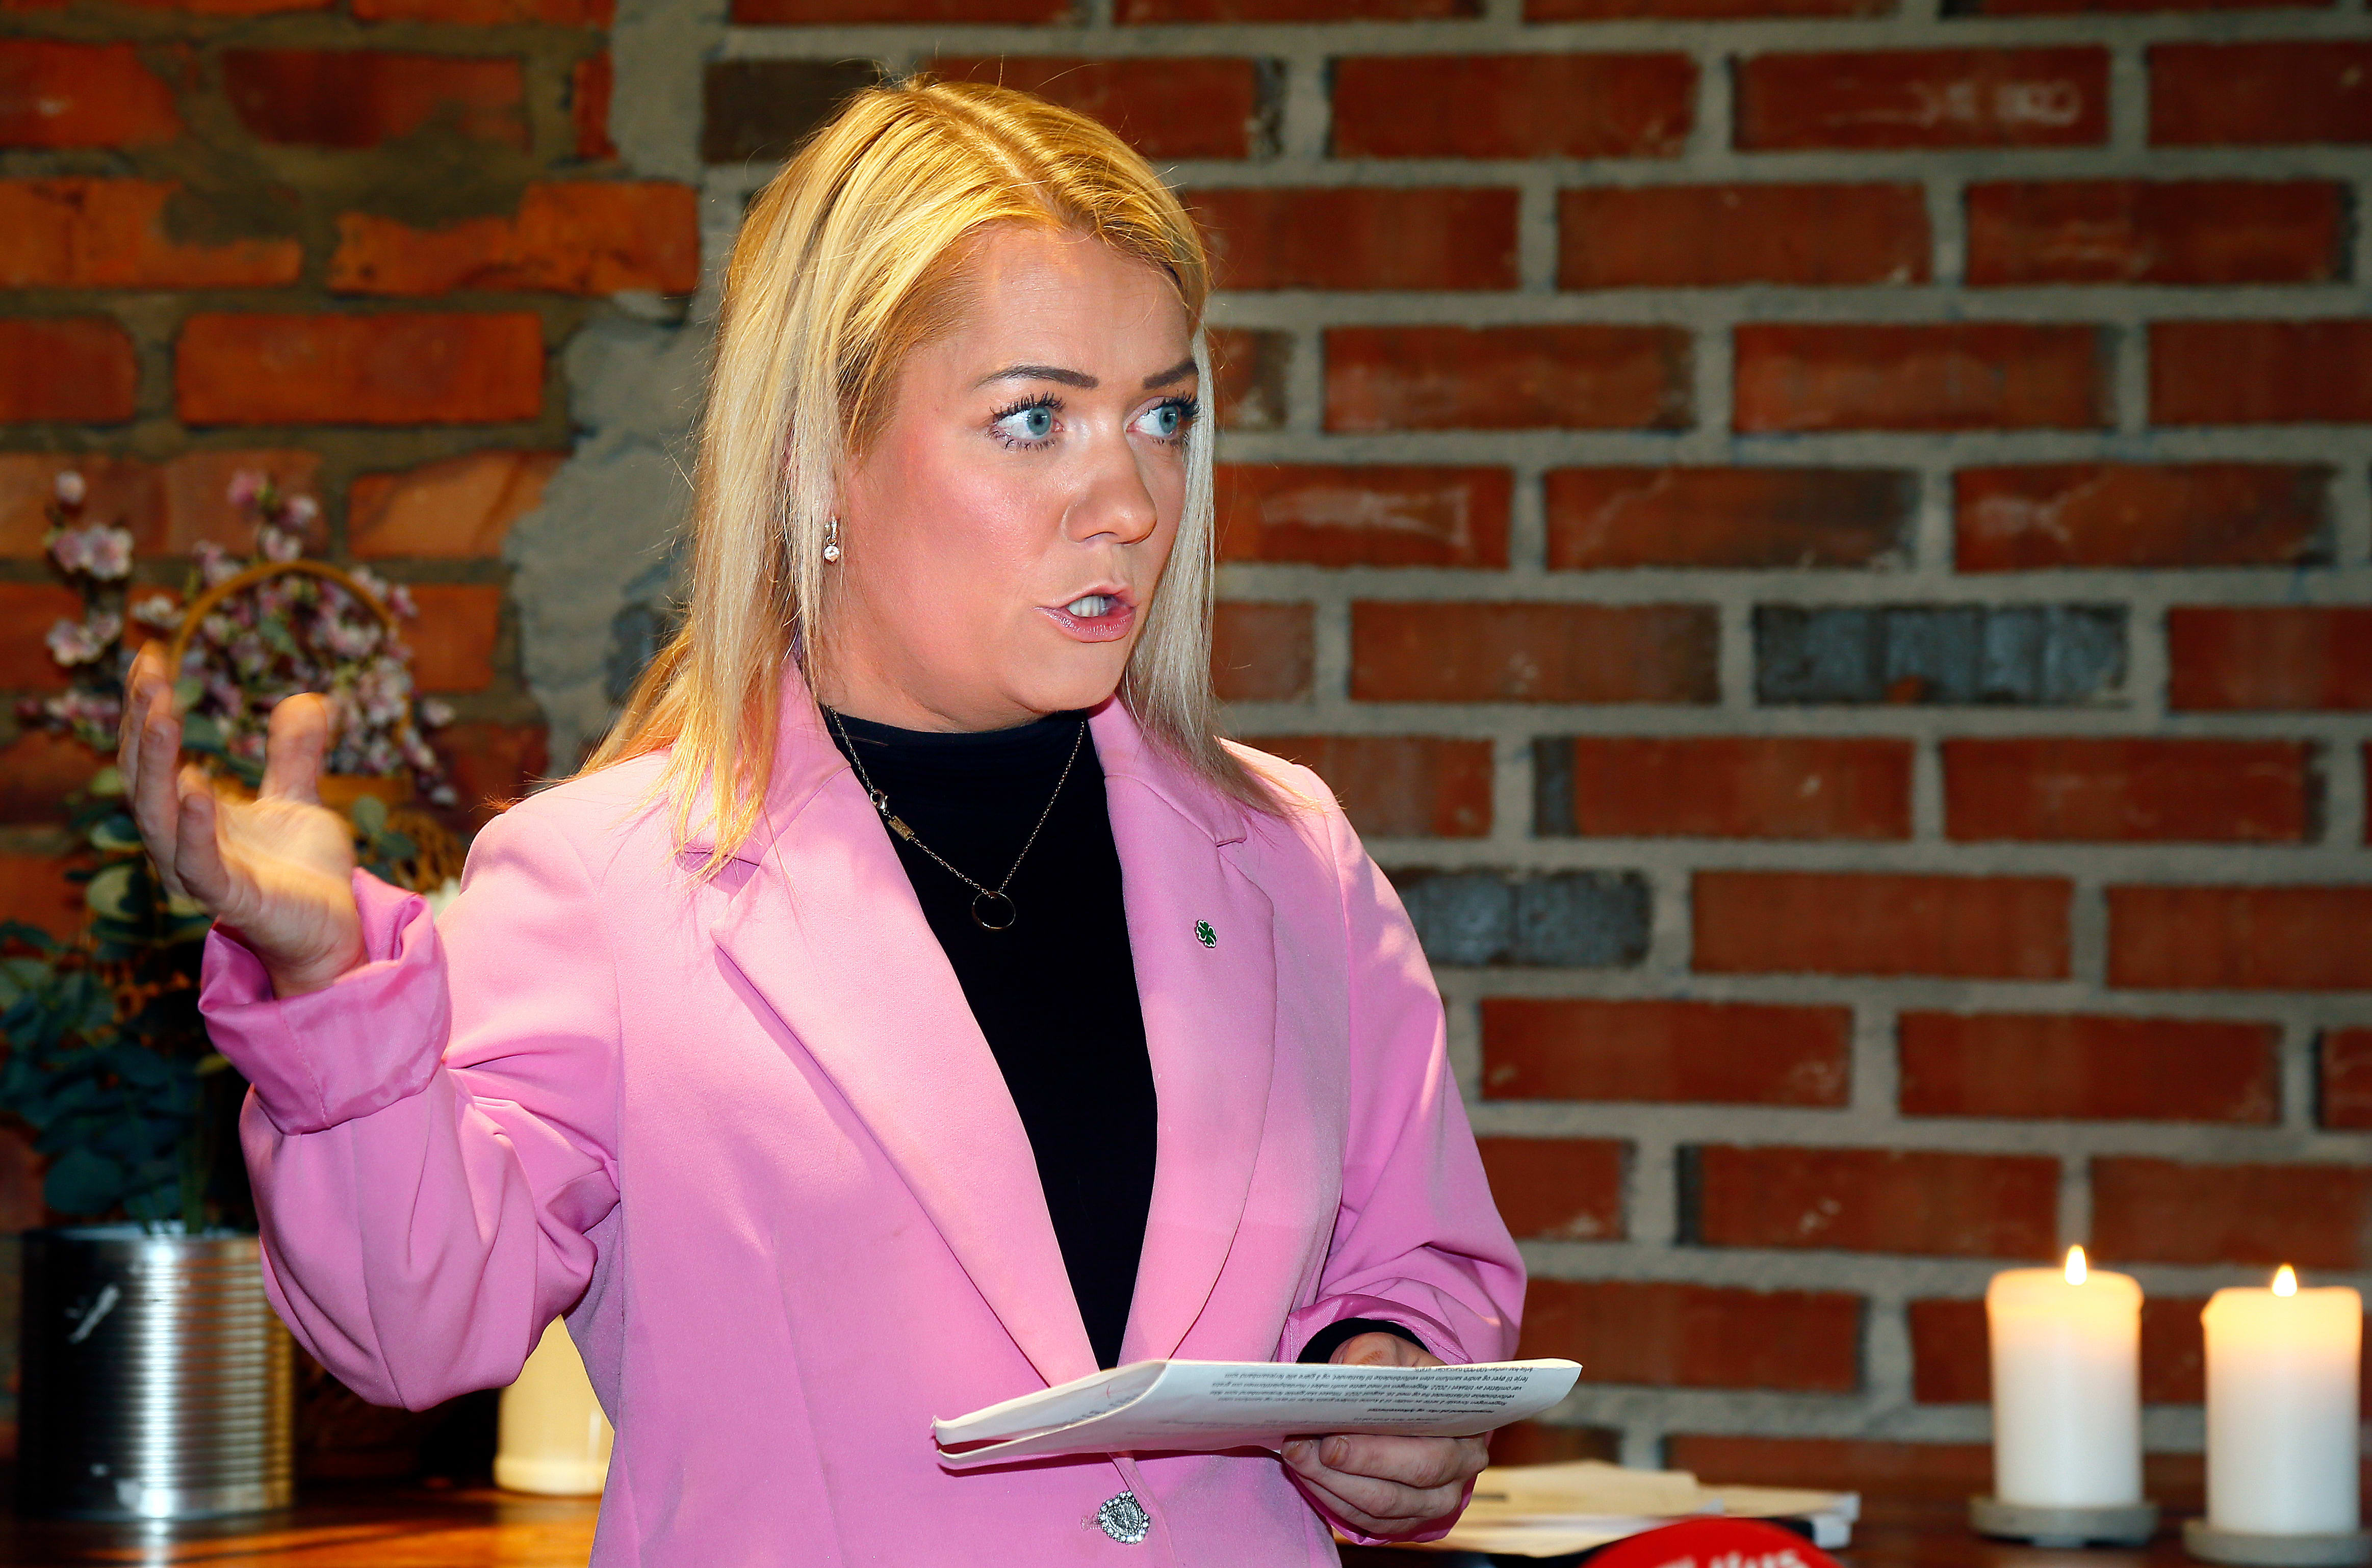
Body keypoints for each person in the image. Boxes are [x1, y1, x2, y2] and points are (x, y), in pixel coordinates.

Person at [119, 77, 1525, 1566]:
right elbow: (412, 1331)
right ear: (818, 459)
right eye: (1033, 419)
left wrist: (1389, 1384)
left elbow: (1417, 1269)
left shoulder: (1290, 854)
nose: (1126, 498)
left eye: (1161, 416)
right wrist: (330, 991)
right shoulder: (608, 885)